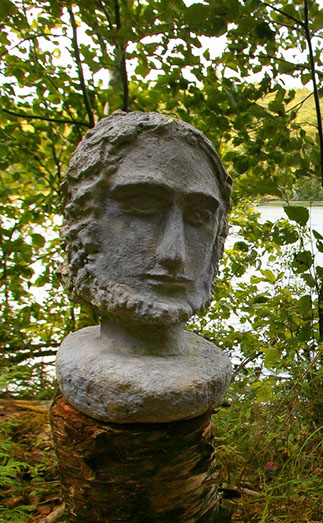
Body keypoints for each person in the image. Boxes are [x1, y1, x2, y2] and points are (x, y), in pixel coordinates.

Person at [56, 112, 233, 423]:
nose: (173, 254)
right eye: (143, 209)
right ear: (85, 221)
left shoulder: (208, 365)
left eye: (199, 218)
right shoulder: (81, 364)